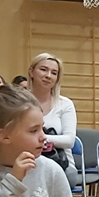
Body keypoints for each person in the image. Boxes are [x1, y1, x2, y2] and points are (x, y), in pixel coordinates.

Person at [28, 53, 79, 188]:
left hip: (61, 165)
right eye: (43, 70)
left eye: (54, 73)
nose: (48, 75)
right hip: (27, 161)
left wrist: (37, 138)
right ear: (31, 72)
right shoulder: (18, 102)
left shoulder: (65, 104)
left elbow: (69, 140)